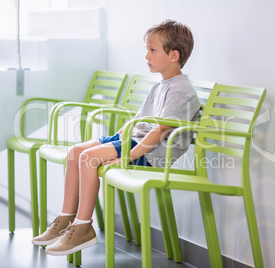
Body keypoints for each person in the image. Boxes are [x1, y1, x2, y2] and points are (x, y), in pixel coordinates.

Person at [31, 19, 201, 256]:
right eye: (147, 50)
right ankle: (66, 218)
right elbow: (140, 122)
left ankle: (82, 228)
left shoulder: (181, 89)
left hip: (151, 154)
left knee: (89, 158)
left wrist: (128, 157)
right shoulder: (160, 86)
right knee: (75, 152)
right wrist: (114, 139)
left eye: (152, 50)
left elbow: (160, 131)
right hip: (134, 140)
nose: (146, 56)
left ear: (173, 55)